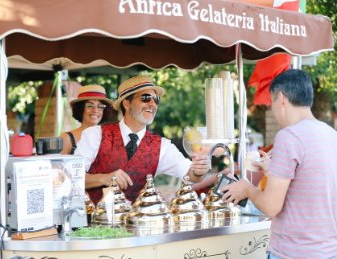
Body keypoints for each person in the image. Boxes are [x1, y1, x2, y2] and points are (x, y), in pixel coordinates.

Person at [221, 69, 337, 259]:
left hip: (293, 253)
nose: (272, 110)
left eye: (271, 102)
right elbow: (313, 185)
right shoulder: (331, 134)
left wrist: (247, 189)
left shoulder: (289, 136)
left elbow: (271, 206)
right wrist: (271, 171)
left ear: (281, 98)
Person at [75, 75, 210, 203]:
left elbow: (191, 175)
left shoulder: (162, 146)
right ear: (127, 103)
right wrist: (104, 178)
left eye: (156, 99)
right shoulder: (95, 135)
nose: (152, 104)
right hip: (93, 224)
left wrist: (199, 170)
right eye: (145, 98)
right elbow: (72, 177)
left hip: (138, 224)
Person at [60, 84, 113, 154]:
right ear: (80, 108)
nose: (95, 110)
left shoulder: (111, 138)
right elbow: (59, 164)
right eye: (90, 106)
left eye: (100, 106)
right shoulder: (67, 138)